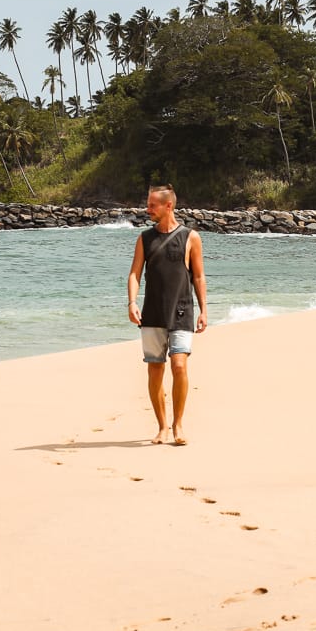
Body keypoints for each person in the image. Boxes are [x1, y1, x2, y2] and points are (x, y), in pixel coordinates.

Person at [127, 184, 208, 445]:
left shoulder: (191, 237)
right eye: (148, 204)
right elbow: (134, 274)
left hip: (182, 311)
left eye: (152, 205)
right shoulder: (145, 239)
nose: (147, 209)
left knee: (179, 365)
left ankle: (178, 426)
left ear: (168, 206)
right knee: (154, 370)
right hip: (151, 313)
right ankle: (162, 427)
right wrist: (131, 302)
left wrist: (204, 309)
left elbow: (198, 276)